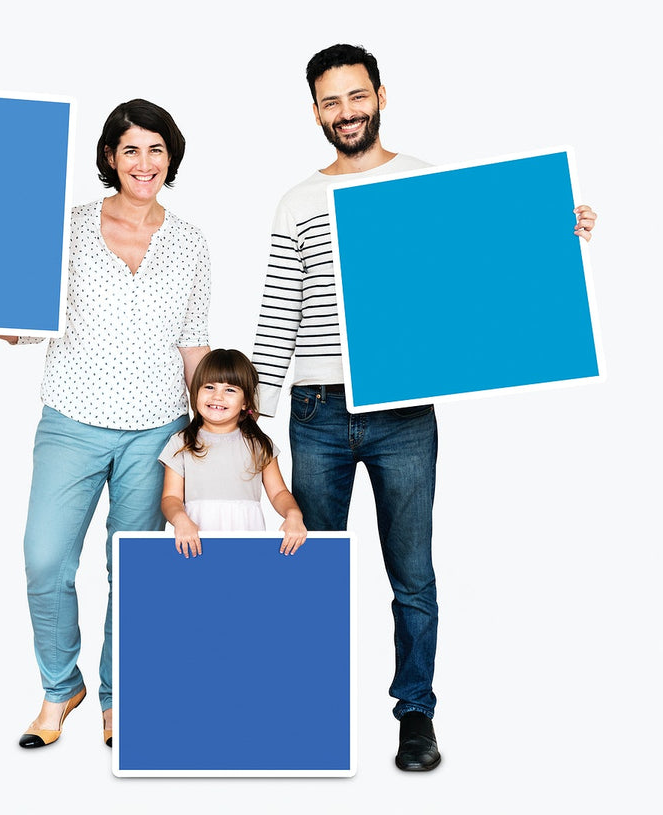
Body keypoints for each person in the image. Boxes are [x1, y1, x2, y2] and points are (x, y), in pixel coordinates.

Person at [251, 43, 597, 772]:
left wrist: (553, 235)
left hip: (404, 412)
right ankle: (302, 705)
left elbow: (483, 273)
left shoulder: (424, 185)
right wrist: (253, 424)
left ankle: (415, 713)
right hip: (315, 412)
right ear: (314, 110)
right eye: (329, 101)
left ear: (380, 94)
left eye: (355, 96)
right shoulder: (294, 202)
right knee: (307, 562)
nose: (345, 112)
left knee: (412, 570)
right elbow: (278, 317)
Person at [0, 99, 211, 750]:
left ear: (171, 156)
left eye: (156, 149)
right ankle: (59, 687)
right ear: (110, 157)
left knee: (133, 573)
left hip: (158, 431)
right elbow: (21, 324)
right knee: (45, 560)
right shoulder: (67, 226)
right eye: (130, 149)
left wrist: (207, 436)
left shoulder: (190, 242)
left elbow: (194, 345)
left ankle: (116, 698)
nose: (144, 162)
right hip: (71, 420)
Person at [158, 348, 306, 557]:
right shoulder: (181, 443)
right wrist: (180, 520)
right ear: (195, 392)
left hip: (248, 545)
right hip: (196, 545)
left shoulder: (259, 445)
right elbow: (170, 497)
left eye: (230, 390)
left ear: (245, 401)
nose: (217, 396)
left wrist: (293, 515)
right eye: (209, 387)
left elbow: (279, 493)